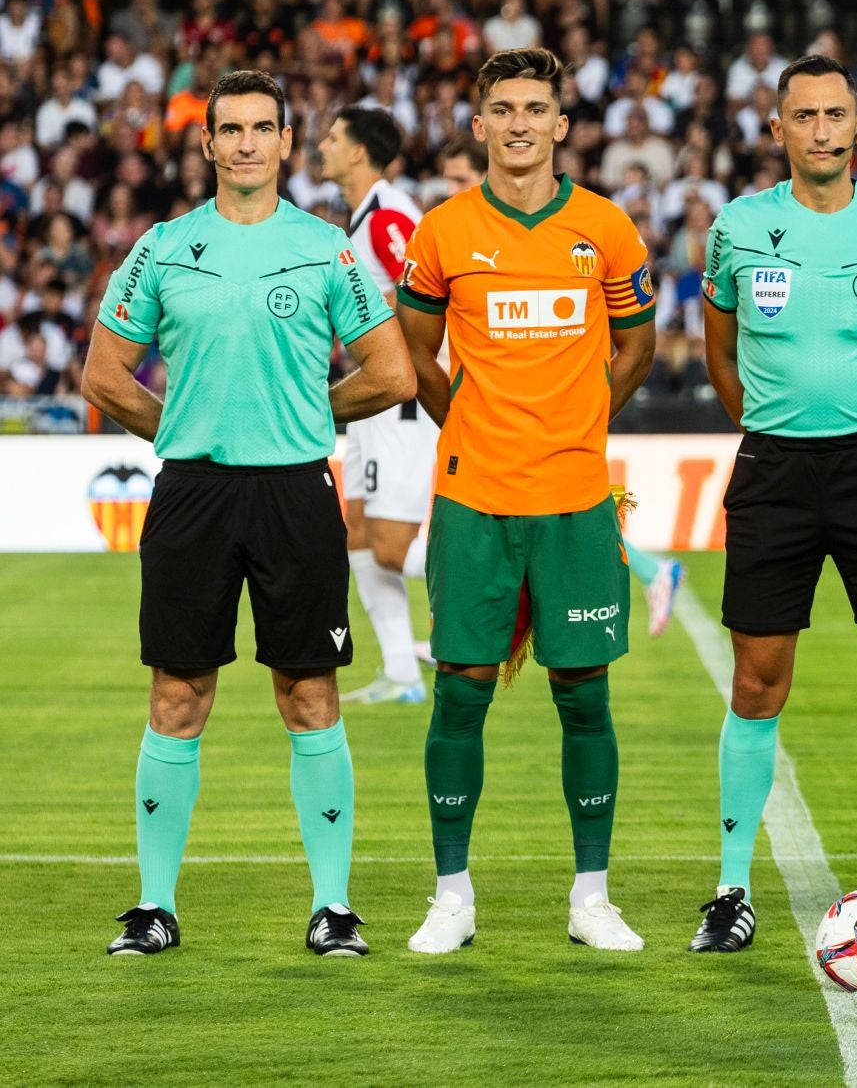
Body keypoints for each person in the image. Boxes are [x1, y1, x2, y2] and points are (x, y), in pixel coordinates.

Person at [83, 70, 415, 957]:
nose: (244, 144)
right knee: (175, 693)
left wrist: (311, 412)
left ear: (284, 142)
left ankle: (334, 907)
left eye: (261, 129)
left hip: (295, 490)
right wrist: (182, 427)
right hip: (191, 490)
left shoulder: (325, 247)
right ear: (207, 144)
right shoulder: (162, 247)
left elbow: (393, 372)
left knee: (310, 693)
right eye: (228, 129)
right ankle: (154, 906)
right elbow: (104, 373)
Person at [395, 48, 657, 953]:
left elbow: (636, 348)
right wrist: (467, 424)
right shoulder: (441, 233)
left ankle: (592, 896)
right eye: (500, 108)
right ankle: (451, 894)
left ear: (561, 125)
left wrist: (580, 423)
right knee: (460, 689)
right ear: (477, 125)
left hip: (577, 498)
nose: (517, 123)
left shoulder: (606, 229)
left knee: (584, 691)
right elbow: (418, 356)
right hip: (475, 498)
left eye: (534, 108)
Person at [689, 54, 857, 954]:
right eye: (803, 116)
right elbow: (720, 350)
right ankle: (730, 888)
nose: (821, 130)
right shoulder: (737, 228)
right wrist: (768, 426)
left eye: (836, 114)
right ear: (778, 131)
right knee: (757, 682)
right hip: (773, 470)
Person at [317, 106, 433, 706]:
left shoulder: (388, 216)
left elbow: (421, 293)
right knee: (357, 532)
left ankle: (512, 580)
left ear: (359, 151)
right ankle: (402, 674)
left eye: (333, 138)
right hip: (367, 391)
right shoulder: (362, 216)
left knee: (390, 544)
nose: (322, 145)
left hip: (397, 393)